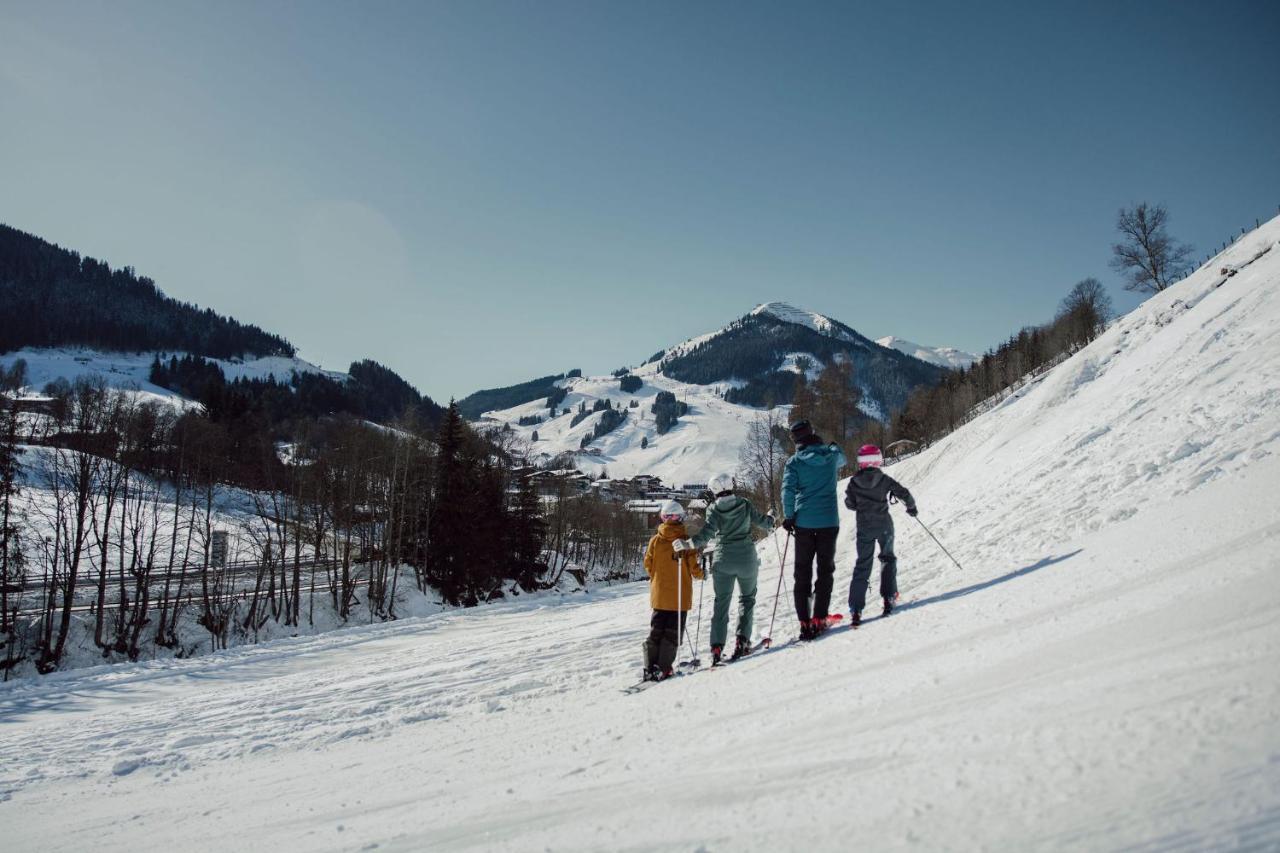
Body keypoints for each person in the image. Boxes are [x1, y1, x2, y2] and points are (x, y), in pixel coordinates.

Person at [687, 473, 774, 663]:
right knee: (747, 599)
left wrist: (689, 544)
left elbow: (706, 534)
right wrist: (771, 519)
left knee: (721, 603)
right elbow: (763, 523)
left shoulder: (713, 509)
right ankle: (742, 641)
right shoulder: (745, 504)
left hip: (723, 559)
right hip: (746, 559)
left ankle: (717, 648)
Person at [781, 419, 847, 640]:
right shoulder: (829, 456)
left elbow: (787, 491)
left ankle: (804, 622)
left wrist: (789, 517)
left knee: (802, 572)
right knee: (825, 570)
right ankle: (819, 618)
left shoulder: (794, 462)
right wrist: (834, 446)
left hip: (804, 523)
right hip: (829, 521)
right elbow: (843, 459)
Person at [844, 444, 917, 625]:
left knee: (863, 565)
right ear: (878, 460)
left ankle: (856, 609)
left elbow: (850, 504)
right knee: (887, 559)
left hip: (864, 528)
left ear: (861, 462)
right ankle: (888, 598)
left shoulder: (854, 482)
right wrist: (911, 507)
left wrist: (860, 502)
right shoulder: (883, 479)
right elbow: (904, 493)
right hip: (884, 525)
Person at [641, 499, 703, 681]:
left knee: (656, 631)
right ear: (680, 518)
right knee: (672, 633)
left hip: (659, 596)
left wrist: (657, 578)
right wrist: (701, 574)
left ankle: (649, 666)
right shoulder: (685, 541)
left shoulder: (655, 540)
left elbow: (648, 563)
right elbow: (694, 567)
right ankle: (664, 667)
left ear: (663, 518)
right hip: (679, 596)